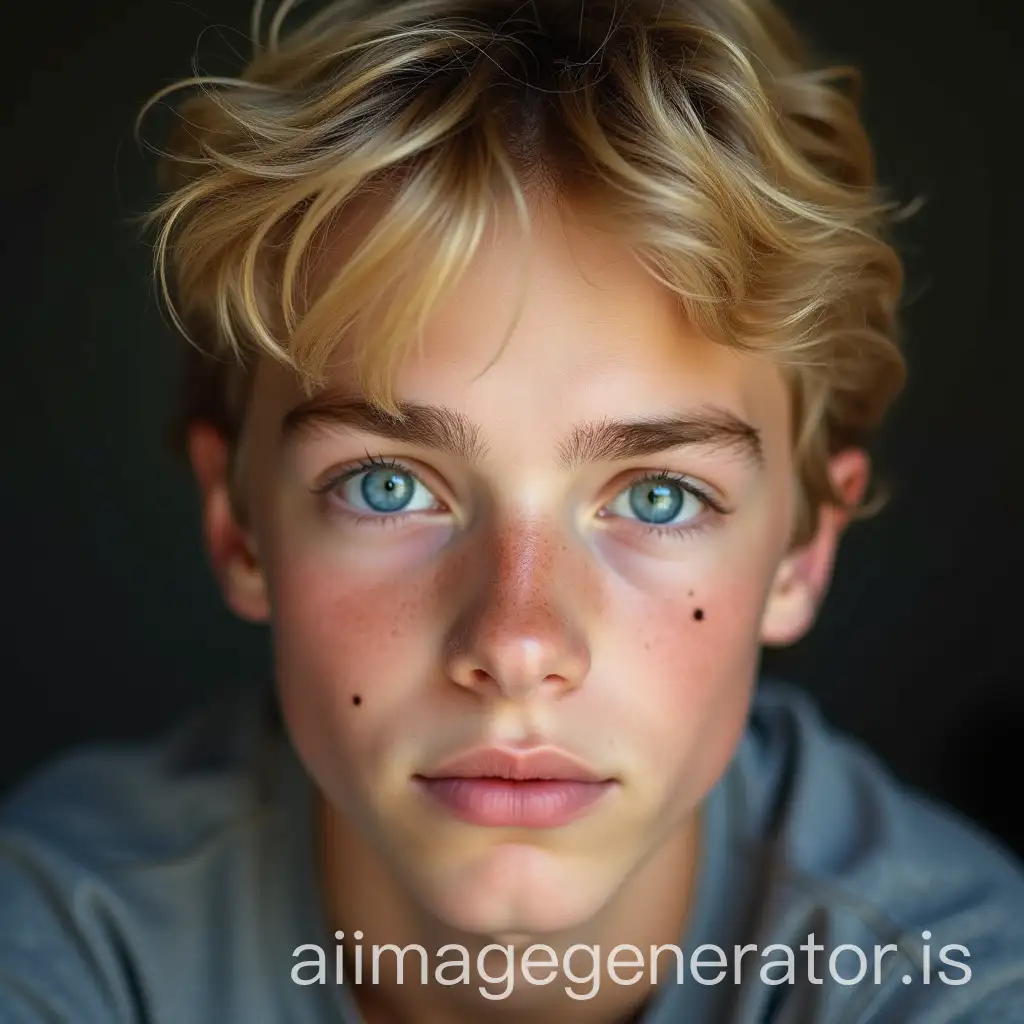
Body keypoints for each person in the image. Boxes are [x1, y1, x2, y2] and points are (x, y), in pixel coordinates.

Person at [2, 0, 1022, 1021]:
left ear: (800, 552)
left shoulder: (956, 982)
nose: (519, 643)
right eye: (386, 485)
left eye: (659, 496)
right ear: (238, 526)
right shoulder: (64, 940)